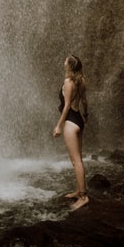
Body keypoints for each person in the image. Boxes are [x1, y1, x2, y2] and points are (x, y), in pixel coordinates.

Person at [53, 54, 89, 210]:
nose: (63, 61)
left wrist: (59, 126)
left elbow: (67, 106)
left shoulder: (68, 82)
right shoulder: (81, 81)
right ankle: (78, 190)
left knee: (76, 161)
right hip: (79, 120)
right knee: (78, 159)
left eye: (65, 60)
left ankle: (83, 197)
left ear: (70, 65)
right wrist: (86, 115)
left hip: (70, 122)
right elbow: (84, 101)